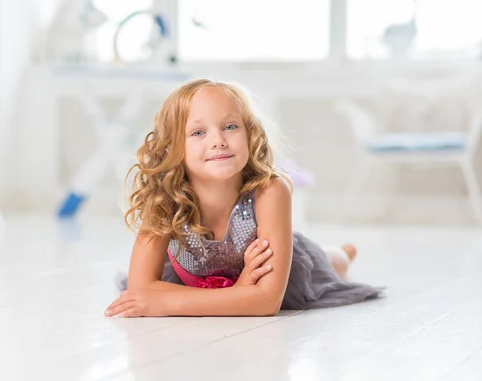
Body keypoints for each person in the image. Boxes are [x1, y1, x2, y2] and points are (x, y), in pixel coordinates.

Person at [105, 79, 384, 318]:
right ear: (173, 147)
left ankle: (342, 254)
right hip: (197, 276)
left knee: (327, 262)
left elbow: (266, 302)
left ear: (250, 134)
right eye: (198, 132)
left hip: (280, 269)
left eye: (230, 127)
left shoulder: (271, 191)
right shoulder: (164, 198)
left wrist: (169, 301)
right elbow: (140, 289)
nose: (218, 141)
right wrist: (239, 293)